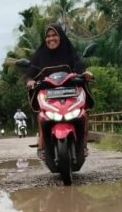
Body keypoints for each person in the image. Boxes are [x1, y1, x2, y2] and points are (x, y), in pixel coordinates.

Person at [24, 24, 94, 158]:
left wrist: (85, 74)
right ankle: (42, 144)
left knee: (83, 113)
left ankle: (83, 144)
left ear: (60, 36)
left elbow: (78, 66)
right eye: (48, 36)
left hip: (70, 93)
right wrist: (30, 81)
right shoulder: (40, 54)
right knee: (41, 116)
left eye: (54, 35)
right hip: (48, 95)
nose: (51, 39)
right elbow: (31, 72)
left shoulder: (68, 50)